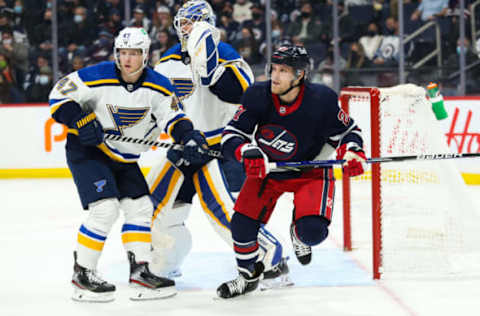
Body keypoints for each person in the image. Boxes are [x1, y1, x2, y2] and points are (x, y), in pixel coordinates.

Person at [48, 27, 209, 302]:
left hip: (124, 157)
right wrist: (79, 120)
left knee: (140, 208)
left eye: (134, 53)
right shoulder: (95, 75)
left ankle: (140, 271)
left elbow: (172, 118)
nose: (127, 59)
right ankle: (83, 274)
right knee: (105, 209)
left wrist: (189, 136)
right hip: (89, 151)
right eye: (123, 53)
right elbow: (59, 95)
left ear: (145, 55)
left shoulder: (159, 85)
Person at [148, 0, 291, 288]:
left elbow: (241, 95)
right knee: (156, 206)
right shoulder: (167, 61)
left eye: (193, 22)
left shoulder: (228, 56)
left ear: (206, 23)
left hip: (219, 148)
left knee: (226, 213)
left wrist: (207, 62)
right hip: (186, 146)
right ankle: (166, 262)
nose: (185, 28)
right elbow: (160, 104)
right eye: (183, 22)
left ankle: (272, 262)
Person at [217, 44, 366, 299]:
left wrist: (352, 151)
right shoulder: (257, 95)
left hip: (311, 170)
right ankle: (248, 276)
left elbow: (349, 132)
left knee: (313, 232)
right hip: (269, 170)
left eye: (283, 70)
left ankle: (298, 235)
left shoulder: (322, 99)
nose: (275, 76)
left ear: (300, 75)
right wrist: (246, 152)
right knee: (241, 225)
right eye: (273, 68)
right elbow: (231, 135)